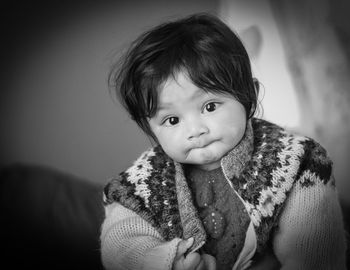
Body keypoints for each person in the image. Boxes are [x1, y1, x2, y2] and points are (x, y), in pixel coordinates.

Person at [100, 13, 347, 270]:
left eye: (210, 106)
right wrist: (163, 260)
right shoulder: (145, 181)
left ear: (247, 95)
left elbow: (315, 250)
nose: (195, 130)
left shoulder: (295, 162)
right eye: (172, 120)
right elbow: (119, 240)